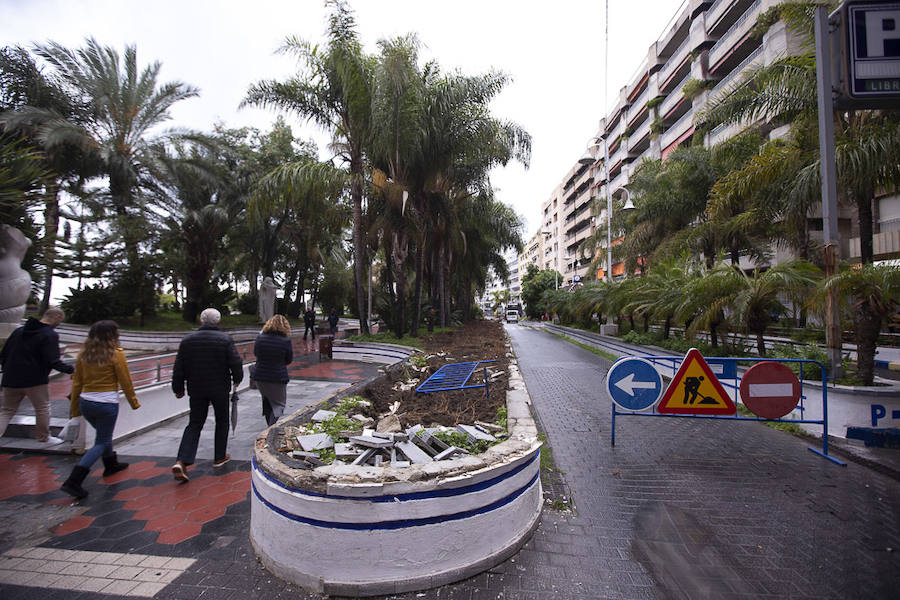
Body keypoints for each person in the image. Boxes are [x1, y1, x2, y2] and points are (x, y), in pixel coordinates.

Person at [60, 320, 140, 499]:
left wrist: (74, 409)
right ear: (113, 336)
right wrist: (133, 402)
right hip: (106, 404)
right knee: (102, 441)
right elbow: (125, 381)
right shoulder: (116, 354)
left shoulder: (83, 355)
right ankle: (74, 480)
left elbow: (77, 383)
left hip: (86, 402)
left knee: (104, 435)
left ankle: (111, 464)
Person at [171, 308, 243, 482]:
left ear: (201, 321)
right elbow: (235, 362)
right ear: (218, 322)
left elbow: (179, 367)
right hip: (219, 388)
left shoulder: (188, 340)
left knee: (195, 423)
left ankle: (182, 461)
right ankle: (219, 457)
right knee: (222, 420)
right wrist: (237, 379)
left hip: (196, 388)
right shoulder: (225, 340)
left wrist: (178, 388)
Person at [0, 306, 74, 445]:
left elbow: (4, 354)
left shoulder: (19, 331)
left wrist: (6, 371)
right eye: (60, 321)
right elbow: (53, 360)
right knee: (42, 408)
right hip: (35, 380)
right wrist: (72, 370)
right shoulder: (49, 335)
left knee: (6, 411)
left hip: (11, 378)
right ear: (56, 317)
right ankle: (43, 437)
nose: (58, 325)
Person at [252, 315, 293, 426]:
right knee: (279, 405)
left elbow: (256, 353)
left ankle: (268, 426)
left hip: (260, 376)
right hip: (277, 377)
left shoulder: (260, 338)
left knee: (267, 402)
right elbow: (288, 359)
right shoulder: (285, 341)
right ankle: (271, 428)